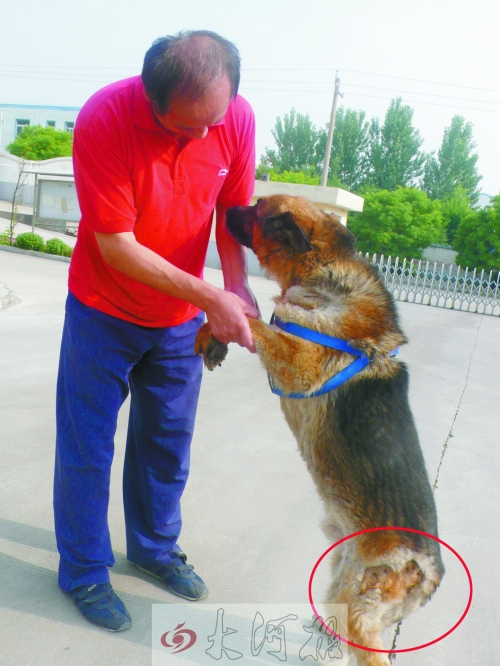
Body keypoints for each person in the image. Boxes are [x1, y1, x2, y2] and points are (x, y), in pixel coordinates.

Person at [54, 30, 259, 632]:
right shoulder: (105, 118)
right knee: (88, 446)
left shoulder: (234, 118)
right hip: (102, 310)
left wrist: (237, 286)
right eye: (184, 127)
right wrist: (211, 296)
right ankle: (85, 570)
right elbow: (116, 246)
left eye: (211, 123)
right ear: (151, 97)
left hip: (177, 324)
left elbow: (232, 213)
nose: (201, 136)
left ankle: (153, 549)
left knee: (167, 443)